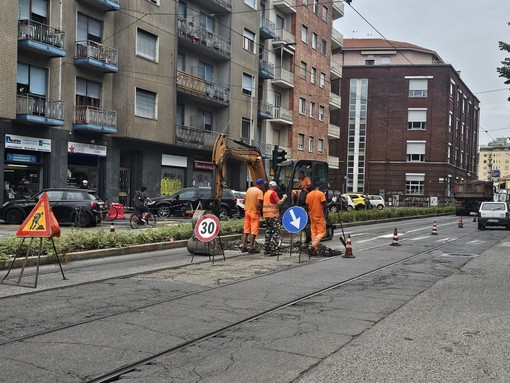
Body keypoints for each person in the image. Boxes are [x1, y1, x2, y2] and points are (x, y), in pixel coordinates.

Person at [305, 182, 336, 255]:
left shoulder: (308, 195)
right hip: (319, 216)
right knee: (321, 232)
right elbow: (325, 205)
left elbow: (307, 206)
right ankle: (312, 246)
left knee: (314, 233)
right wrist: (332, 201)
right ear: (319, 186)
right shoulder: (321, 194)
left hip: (311, 216)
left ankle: (315, 249)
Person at [262, 181, 287, 256]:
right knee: (276, 232)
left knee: (268, 232)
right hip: (273, 215)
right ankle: (273, 249)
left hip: (267, 216)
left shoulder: (266, 193)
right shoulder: (273, 193)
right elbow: (279, 202)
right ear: (274, 187)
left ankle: (266, 249)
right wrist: (284, 198)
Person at [241, 178, 265, 254]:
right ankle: (251, 247)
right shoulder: (259, 192)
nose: (263, 186)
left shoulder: (249, 190)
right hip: (254, 213)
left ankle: (243, 246)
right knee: (253, 231)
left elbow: (244, 201)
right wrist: (260, 209)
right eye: (263, 184)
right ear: (260, 185)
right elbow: (258, 204)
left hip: (247, 211)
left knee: (246, 230)